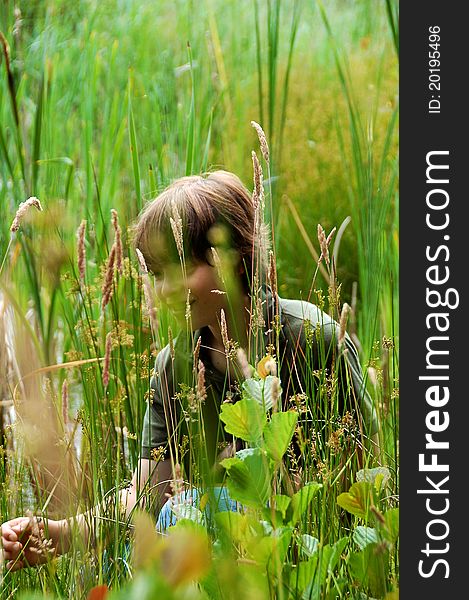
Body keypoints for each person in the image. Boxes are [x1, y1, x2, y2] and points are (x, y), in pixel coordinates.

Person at [1, 170, 377, 571]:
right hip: (222, 561)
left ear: (233, 255)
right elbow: (146, 496)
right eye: (158, 274)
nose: (166, 289)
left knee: (183, 513)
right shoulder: (174, 366)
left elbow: (361, 478)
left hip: (312, 553)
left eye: (182, 267)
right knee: (142, 539)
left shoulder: (311, 339)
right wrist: (61, 532)